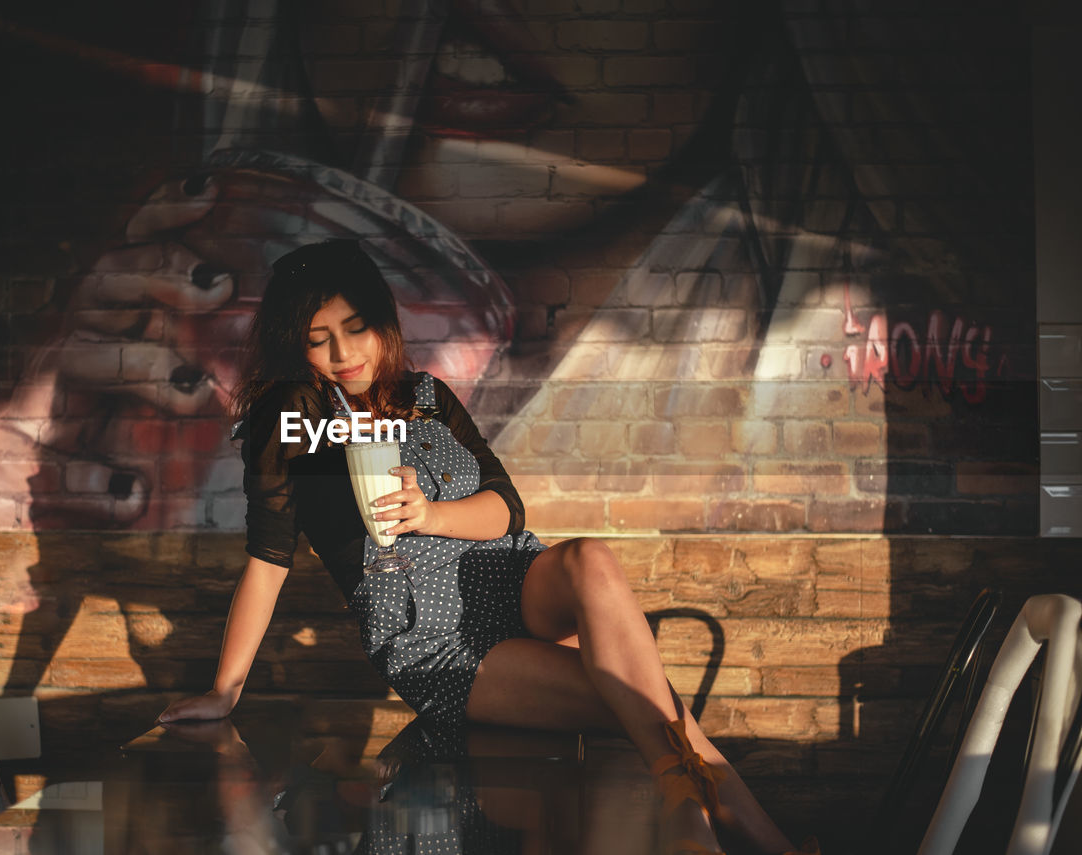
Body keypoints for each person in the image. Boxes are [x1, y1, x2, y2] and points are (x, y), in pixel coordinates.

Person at [158, 239, 812, 855]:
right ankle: (730, 820)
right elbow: (268, 562)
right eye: (318, 339)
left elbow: (507, 510)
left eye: (354, 327)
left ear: (381, 322)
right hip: (438, 637)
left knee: (589, 557)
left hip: (513, 579)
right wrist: (224, 690)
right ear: (296, 348)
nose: (343, 353)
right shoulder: (292, 432)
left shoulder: (428, 398)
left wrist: (430, 512)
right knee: (632, 692)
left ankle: (697, 813)